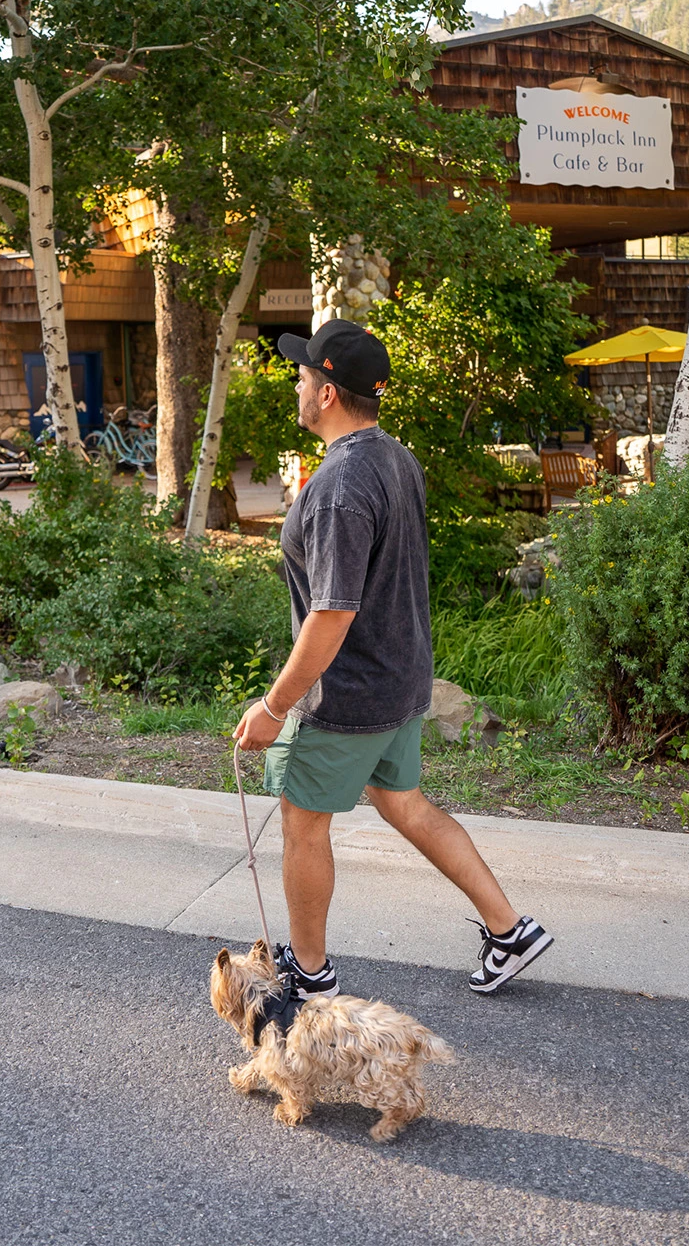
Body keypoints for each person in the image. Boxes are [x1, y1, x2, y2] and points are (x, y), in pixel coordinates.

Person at [233, 318, 553, 998]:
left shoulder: (341, 487)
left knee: (301, 825)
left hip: (344, 697)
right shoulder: (394, 457)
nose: (295, 383)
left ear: (326, 394)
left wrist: (273, 706)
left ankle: (310, 977)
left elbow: (332, 614)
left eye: (302, 375)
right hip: (400, 681)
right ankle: (510, 929)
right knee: (404, 804)